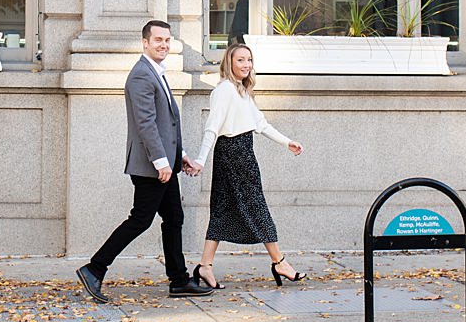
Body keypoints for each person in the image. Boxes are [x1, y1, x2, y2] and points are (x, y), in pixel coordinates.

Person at [77, 20, 216, 303]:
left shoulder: (156, 72)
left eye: (167, 40)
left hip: (163, 164)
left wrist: (181, 156)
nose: (163, 45)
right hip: (151, 166)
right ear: (145, 42)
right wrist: (162, 162)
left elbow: (167, 125)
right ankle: (94, 268)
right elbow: (147, 124)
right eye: (158, 40)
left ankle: (178, 280)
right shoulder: (142, 75)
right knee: (140, 220)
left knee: (174, 217)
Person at [185, 41, 307, 287]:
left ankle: (204, 266)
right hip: (233, 155)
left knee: (222, 210)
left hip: (242, 152)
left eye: (249, 60)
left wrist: (287, 142)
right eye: (240, 59)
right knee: (256, 207)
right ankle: (279, 261)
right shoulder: (224, 91)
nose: (246, 64)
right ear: (229, 62)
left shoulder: (242, 90)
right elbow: (212, 128)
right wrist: (200, 160)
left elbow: (261, 124)